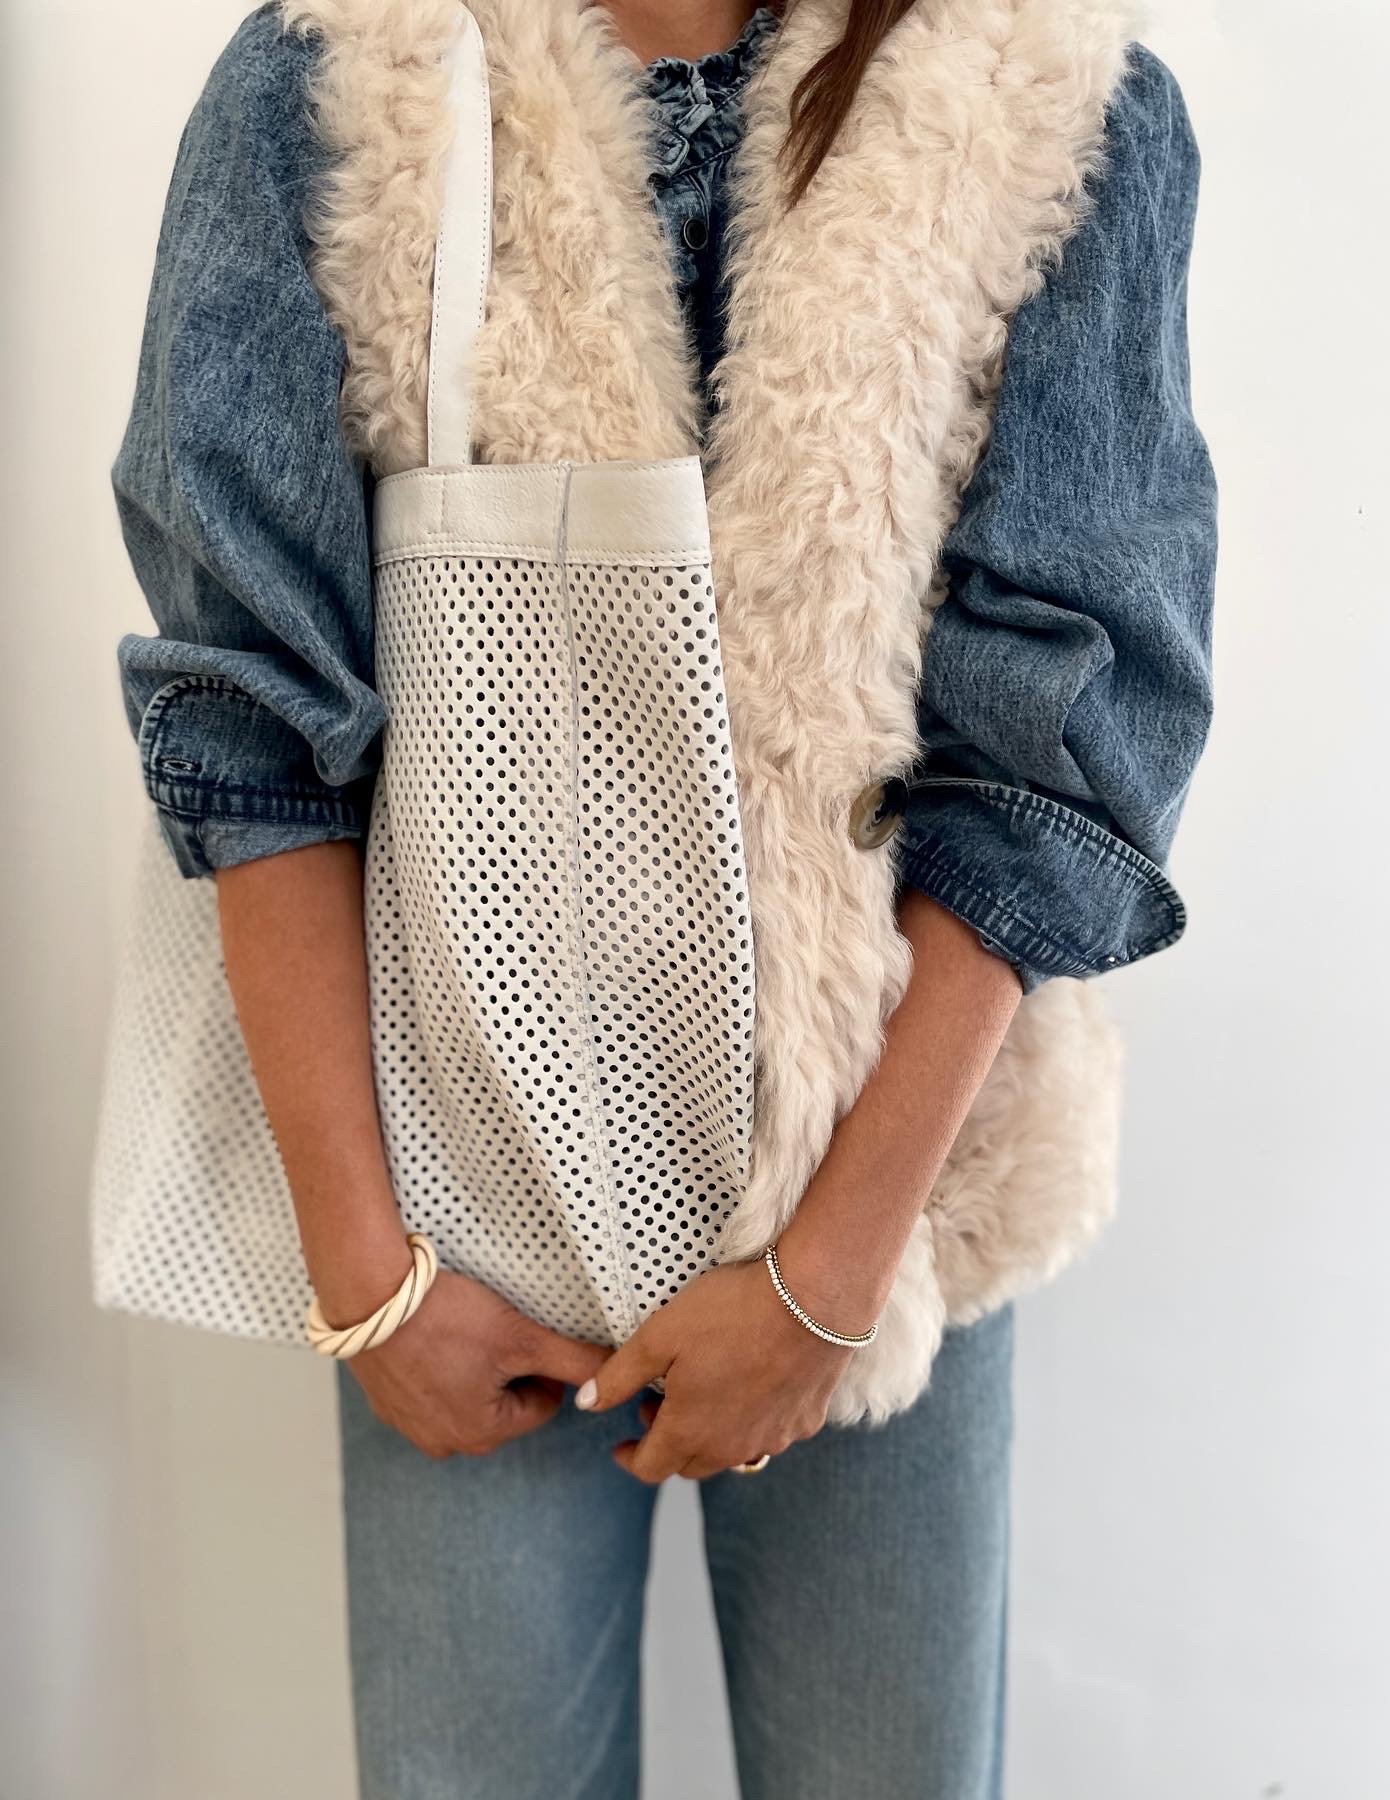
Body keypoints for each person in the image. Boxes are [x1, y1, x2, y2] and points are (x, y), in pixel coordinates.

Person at [100, 1, 1216, 1793]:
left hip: (896, 1200)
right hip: (458, 1217)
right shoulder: (346, 72)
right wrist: (369, 1276)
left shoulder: (1045, 88)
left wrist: (835, 1275)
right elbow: (249, 717)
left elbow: (1070, 741)